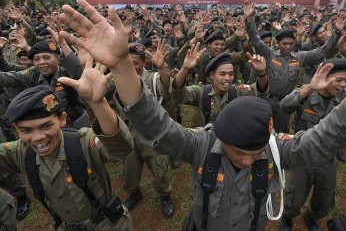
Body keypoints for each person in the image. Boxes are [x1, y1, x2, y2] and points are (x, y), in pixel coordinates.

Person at [58, 0, 346, 231]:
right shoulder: (203, 145)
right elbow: (157, 129)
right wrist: (124, 67)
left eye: (252, 151)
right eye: (236, 150)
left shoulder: (275, 150)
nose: (244, 158)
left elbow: (325, 139)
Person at [0, 58, 134, 230]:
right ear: (15, 129)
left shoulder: (82, 141)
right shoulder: (21, 151)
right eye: (26, 130)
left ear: (62, 119)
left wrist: (98, 103)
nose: (37, 137)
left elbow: (120, 149)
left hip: (107, 224)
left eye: (46, 126)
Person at [244, 0, 343, 133]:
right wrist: (249, 19)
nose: (288, 47)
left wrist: (336, 32)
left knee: (281, 134)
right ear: (277, 43)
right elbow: (255, 40)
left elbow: (322, 51)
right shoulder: (270, 54)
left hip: (285, 105)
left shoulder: (300, 57)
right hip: (265, 101)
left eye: (291, 43)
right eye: (284, 44)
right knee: (259, 130)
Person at [279, 58, 346, 231]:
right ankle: (287, 218)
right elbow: (284, 106)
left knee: (325, 198)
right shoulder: (308, 91)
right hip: (303, 155)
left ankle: (312, 217)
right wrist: (310, 87)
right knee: (294, 196)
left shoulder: (345, 98)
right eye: (339, 80)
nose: (342, 85)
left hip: (328, 156)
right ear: (325, 77)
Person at [121, 45, 174, 217]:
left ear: (144, 62)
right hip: (129, 132)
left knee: (159, 168)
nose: (130, 66)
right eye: (127, 62)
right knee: (129, 168)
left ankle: (165, 195)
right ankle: (134, 192)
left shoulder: (152, 78)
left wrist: (161, 67)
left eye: (135, 63)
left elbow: (166, 91)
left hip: (151, 133)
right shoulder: (118, 79)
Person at [171, 48, 268, 125]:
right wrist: (185, 69)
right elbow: (178, 94)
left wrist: (261, 73)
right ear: (212, 75)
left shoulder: (238, 91)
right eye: (222, 74)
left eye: (231, 74)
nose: (227, 78)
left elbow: (259, 91)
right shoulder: (201, 92)